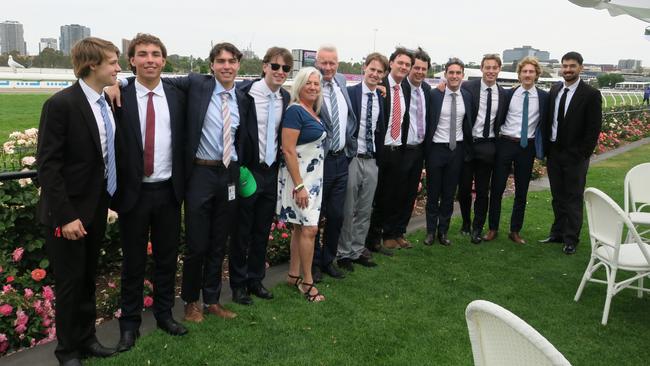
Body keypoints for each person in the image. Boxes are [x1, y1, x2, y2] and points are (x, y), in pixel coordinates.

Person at [37, 37, 120, 366]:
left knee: (88, 278)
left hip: (96, 208)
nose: (118, 68)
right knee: (70, 284)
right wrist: (66, 216)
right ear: (92, 66)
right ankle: (67, 351)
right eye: (113, 62)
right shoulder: (61, 105)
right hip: (68, 214)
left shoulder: (104, 100)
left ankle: (87, 340)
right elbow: (48, 167)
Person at [163, 43, 253, 321]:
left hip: (228, 175)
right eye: (221, 61)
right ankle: (191, 302)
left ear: (239, 65)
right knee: (197, 245)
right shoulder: (196, 84)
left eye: (232, 61)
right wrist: (118, 84)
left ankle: (212, 300)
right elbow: (155, 80)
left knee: (218, 242)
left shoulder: (242, 96)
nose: (226, 66)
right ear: (211, 65)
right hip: (200, 174)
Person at [112, 34, 188, 353]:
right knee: (132, 262)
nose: (150, 59)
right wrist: (111, 84)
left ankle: (164, 315)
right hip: (134, 194)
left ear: (164, 60)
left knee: (166, 259)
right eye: (142, 54)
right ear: (132, 60)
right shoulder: (118, 95)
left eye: (156, 54)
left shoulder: (177, 94)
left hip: (168, 192)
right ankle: (129, 325)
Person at [229, 47, 292, 305]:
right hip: (247, 171)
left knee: (261, 230)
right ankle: (238, 285)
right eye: (275, 66)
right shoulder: (243, 93)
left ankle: (256, 279)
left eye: (285, 69)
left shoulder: (285, 98)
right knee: (241, 231)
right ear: (264, 66)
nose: (279, 72)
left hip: (270, 171)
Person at [541, 51, 602, 255]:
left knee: (573, 197)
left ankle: (570, 238)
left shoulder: (591, 94)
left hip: (575, 156)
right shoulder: (555, 89)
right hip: (555, 153)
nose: (567, 70)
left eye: (572, 66)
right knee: (557, 196)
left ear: (580, 68)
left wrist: (582, 154)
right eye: (565, 66)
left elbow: (593, 129)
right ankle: (557, 233)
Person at [485, 56, 548, 245]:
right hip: (505, 144)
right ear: (519, 74)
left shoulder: (544, 97)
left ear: (537, 74)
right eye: (524, 71)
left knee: (522, 191)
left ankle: (515, 230)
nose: (527, 75)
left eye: (531, 71)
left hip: (526, 147)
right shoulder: (508, 94)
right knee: (497, 189)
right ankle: (492, 228)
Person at [277, 66, 327, 302]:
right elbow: (288, 149)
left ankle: (293, 275)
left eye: (317, 83)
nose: (313, 87)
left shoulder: (312, 110)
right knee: (310, 229)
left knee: (300, 228)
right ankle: (307, 283)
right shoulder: (295, 111)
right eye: (309, 83)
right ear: (299, 85)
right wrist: (299, 186)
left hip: (312, 180)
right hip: (300, 181)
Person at [336, 52, 388, 271]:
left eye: (379, 71)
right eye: (372, 69)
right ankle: (343, 253)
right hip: (353, 159)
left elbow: (380, 129)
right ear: (364, 68)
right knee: (348, 209)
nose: (375, 74)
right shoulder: (350, 93)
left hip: (372, 160)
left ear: (384, 75)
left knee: (365, 209)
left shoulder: (381, 98)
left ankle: (357, 250)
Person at [312, 45, 357, 282]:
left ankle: (328, 260)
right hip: (321, 161)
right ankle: (314, 263)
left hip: (342, 160)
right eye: (323, 63)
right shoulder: (311, 84)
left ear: (338, 64)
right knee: (316, 217)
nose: (327, 68)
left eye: (332, 63)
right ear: (316, 62)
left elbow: (349, 115)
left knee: (337, 215)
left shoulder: (340, 81)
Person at [455, 54, 508, 245]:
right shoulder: (468, 87)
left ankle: (478, 227)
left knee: (483, 191)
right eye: (488, 67)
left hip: (488, 146)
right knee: (464, 189)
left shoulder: (504, 94)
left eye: (494, 67)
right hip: (468, 144)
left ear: (499, 69)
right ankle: (466, 223)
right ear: (481, 68)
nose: (491, 71)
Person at [366, 47, 414, 252]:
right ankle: (369, 240)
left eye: (407, 65)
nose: (403, 67)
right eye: (400, 63)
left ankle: (381, 237)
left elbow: (403, 120)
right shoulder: (380, 85)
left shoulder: (405, 88)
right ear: (391, 64)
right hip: (379, 150)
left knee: (389, 196)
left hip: (397, 150)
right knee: (374, 197)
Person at [424, 58, 473, 246]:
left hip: (457, 150)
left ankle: (443, 232)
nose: (454, 76)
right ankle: (430, 231)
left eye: (458, 73)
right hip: (436, 149)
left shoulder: (467, 96)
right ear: (445, 75)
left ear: (462, 75)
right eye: (451, 72)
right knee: (433, 192)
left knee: (449, 194)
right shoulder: (434, 95)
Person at [397, 47, 432, 248]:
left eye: (423, 69)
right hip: (402, 149)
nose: (419, 72)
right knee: (397, 192)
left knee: (410, 194)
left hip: (419, 150)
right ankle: (388, 233)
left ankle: (400, 232)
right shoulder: (400, 88)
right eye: (416, 67)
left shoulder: (427, 90)